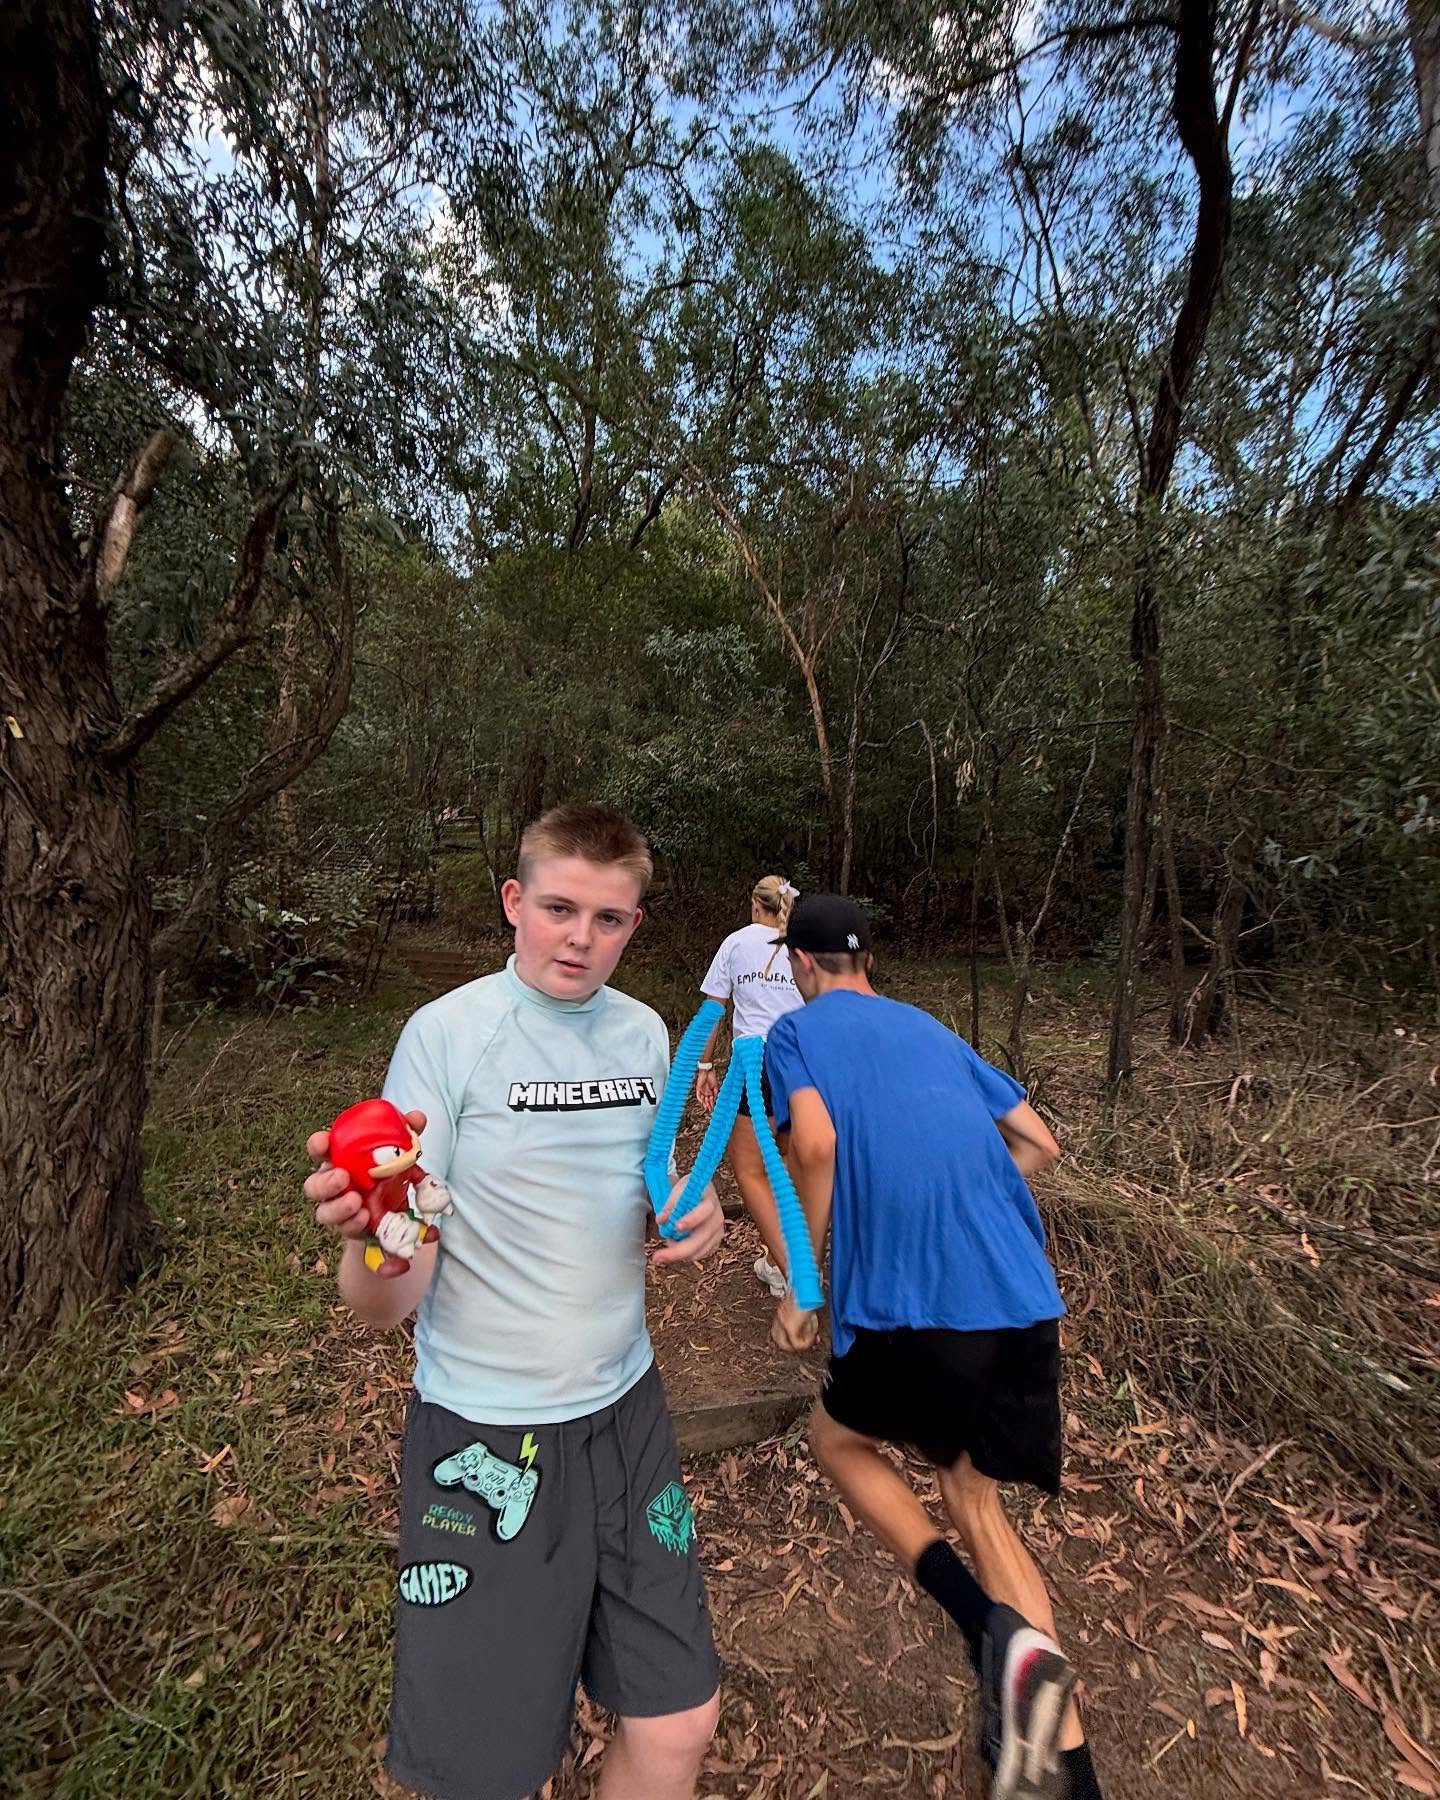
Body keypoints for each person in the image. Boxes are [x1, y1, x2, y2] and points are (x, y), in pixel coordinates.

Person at [304, 804, 724, 1800]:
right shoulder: (448, 1037)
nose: (581, 939)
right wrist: (377, 1226)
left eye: (610, 919)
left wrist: (690, 1216)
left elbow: (649, 1186)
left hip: (628, 1418)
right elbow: (384, 1301)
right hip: (487, 1437)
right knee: (489, 1772)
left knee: (679, 1719)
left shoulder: (644, 1033)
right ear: (514, 902)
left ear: (635, 925)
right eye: (559, 908)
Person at [763, 894, 1103, 1800]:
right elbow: (1038, 1141)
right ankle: (1069, 1770)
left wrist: (807, 1281)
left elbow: (820, 1145)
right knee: (973, 1499)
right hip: (1021, 1297)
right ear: (867, 961)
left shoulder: (793, 1038)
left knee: (834, 1440)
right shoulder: (929, 1027)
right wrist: (967, 1196)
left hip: (914, 1308)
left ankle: (979, 1626)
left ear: (799, 965)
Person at [694, 874, 804, 1299]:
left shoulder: (737, 943)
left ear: (755, 905)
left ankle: (792, 1271)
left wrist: (706, 1064)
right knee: (791, 1167)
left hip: (754, 1064)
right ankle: (779, 1261)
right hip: (800, 1063)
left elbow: (713, 1009)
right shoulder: (803, 944)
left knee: (752, 1170)